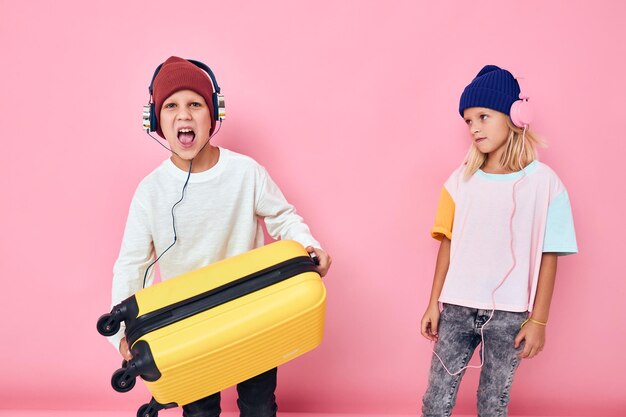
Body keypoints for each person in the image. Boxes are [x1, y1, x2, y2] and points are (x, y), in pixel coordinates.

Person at [108, 56, 331, 417]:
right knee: (199, 412)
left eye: (195, 104)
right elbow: (132, 264)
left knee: (259, 406)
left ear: (214, 114)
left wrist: (309, 245)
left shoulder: (246, 173)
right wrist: (120, 335)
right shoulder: (150, 192)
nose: (184, 115)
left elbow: (283, 217)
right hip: (189, 330)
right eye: (171, 106)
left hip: (254, 315)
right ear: (155, 120)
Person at [419, 65, 577, 417]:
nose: (474, 127)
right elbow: (446, 244)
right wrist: (433, 303)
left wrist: (539, 320)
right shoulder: (460, 181)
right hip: (456, 309)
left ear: (515, 116)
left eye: (483, 116)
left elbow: (550, 254)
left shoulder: (546, 185)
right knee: (435, 401)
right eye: (468, 121)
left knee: (493, 404)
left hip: (510, 316)